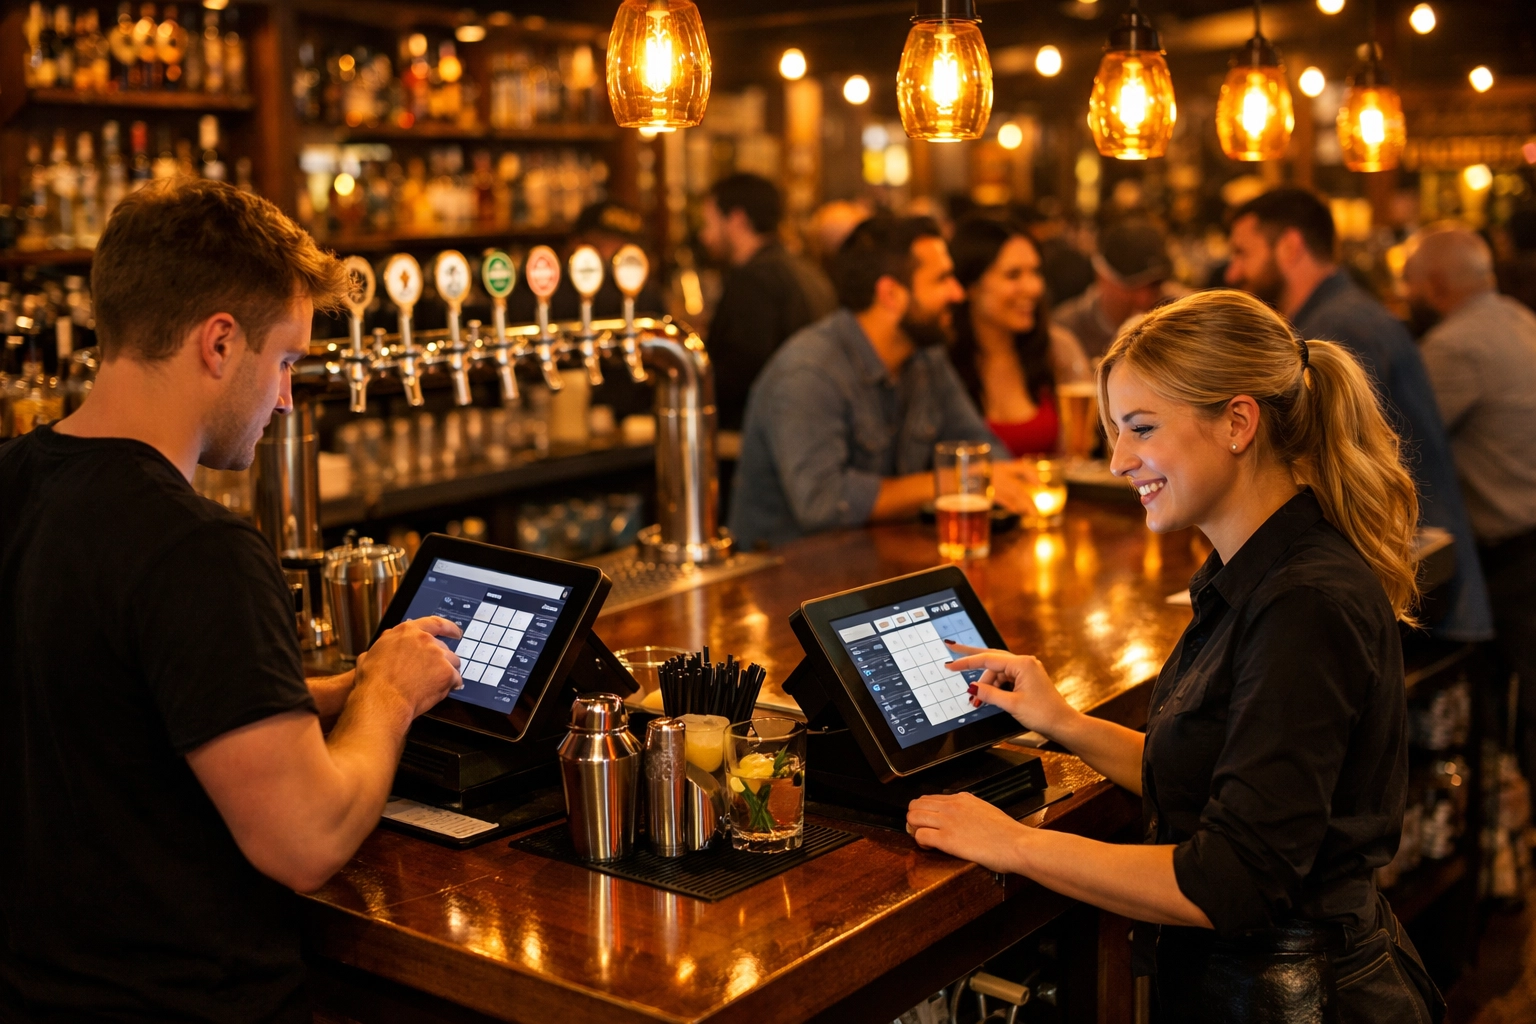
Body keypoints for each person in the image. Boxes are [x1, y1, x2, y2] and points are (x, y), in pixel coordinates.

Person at [907, 289, 1442, 1023]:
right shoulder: (1253, 572)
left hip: (1303, 996)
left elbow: (1232, 881)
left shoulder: (1302, 603)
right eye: (1116, 432)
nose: (1119, 459)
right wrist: (1060, 718)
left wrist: (1013, 845)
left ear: (1237, 422)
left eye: (1141, 428)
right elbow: (1207, 774)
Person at [0, 178, 464, 1022]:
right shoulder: (195, 549)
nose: (286, 398)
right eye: (284, 361)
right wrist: (390, 697)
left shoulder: (17, 480)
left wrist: (331, 695)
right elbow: (307, 841)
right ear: (219, 343)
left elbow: (101, 709)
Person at [1225, 186, 1492, 643]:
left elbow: (1325, 482)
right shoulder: (1350, 311)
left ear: (1289, 247)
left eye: (1242, 252)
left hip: (1412, 600)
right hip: (1425, 583)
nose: (1233, 271)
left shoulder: (1332, 336)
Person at [729, 215, 1016, 549]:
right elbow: (824, 503)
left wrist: (995, 476)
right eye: (942, 280)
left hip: (877, 571)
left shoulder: (925, 358)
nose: (958, 293)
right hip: (782, 583)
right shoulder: (808, 372)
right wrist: (951, 481)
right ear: (890, 295)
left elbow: (985, 451)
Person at [1406, 224, 1536, 802]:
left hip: (1513, 556)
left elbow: (1400, 446)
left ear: (1433, 285)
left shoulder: (1454, 346)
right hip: (1528, 536)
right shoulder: (1519, 318)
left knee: (1511, 713)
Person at [698, 173, 836, 430]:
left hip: (765, 435)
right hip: (809, 423)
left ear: (736, 220)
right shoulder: (804, 268)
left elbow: (741, 372)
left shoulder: (753, 280)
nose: (705, 237)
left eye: (709, 223)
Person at [947, 216, 1091, 457]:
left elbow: (1083, 450)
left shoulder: (1057, 349)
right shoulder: (940, 364)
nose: (1033, 287)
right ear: (971, 286)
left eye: (1035, 272)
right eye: (1013, 275)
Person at [1054, 219, 1187, 361]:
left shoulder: (1182, 313)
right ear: (1102, 277)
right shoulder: (1067, 329)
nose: (1144, 298)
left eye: (1155, 285)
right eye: (1132, 286)